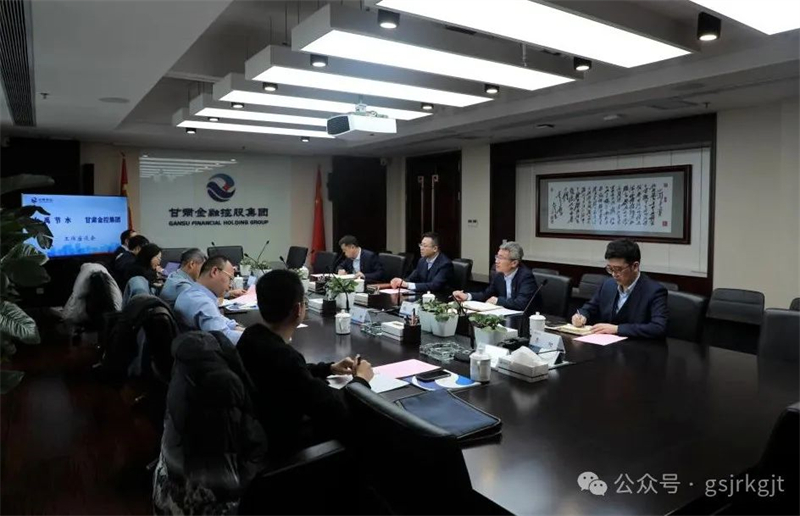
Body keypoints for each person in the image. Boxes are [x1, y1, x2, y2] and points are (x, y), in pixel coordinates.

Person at [237, 269, 374, 457]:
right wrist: (361, 381)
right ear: (298, 310)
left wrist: (328, 368)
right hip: (284, 446)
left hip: (259, 428)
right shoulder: (285, 358)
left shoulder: (251, 336)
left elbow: (294, 375)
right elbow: (335, 409)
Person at [572, 239, 668, 338]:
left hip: (637, 345)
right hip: (605, 344)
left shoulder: (654, 291)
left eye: (618, 269)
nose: (614, 274)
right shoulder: (608, 285)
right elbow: (589, 308)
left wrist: (617, 329)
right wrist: (581, 316)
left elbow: (658, 327)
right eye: (610, 269)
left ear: (635, 266)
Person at [174, 255, 245, 344]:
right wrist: (255, 337)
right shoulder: (202, 302)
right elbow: (224, 338)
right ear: (214, 271)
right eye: (230, 278)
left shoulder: (191, 293)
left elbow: (218, 318)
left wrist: (236, 327)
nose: (230, 285)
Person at [453, 241, 538, 311]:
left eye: (501, 258)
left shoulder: (526, 277)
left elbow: (521, 303)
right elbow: (486, 295)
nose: (497, 261)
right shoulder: (499, 275)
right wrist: (467, 296)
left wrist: (498, 300)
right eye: (497, 257)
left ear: (514, 263)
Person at [389, 232, 453, 294]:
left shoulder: (445, 264)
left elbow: (435, 285)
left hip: (439, 298)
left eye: (425, 246)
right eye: (421, 245)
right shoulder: (422, 261)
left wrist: (407, 285)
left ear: (435, 249)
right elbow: (411, 278)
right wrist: (400, 282)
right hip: (422, 295)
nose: (421, 248)